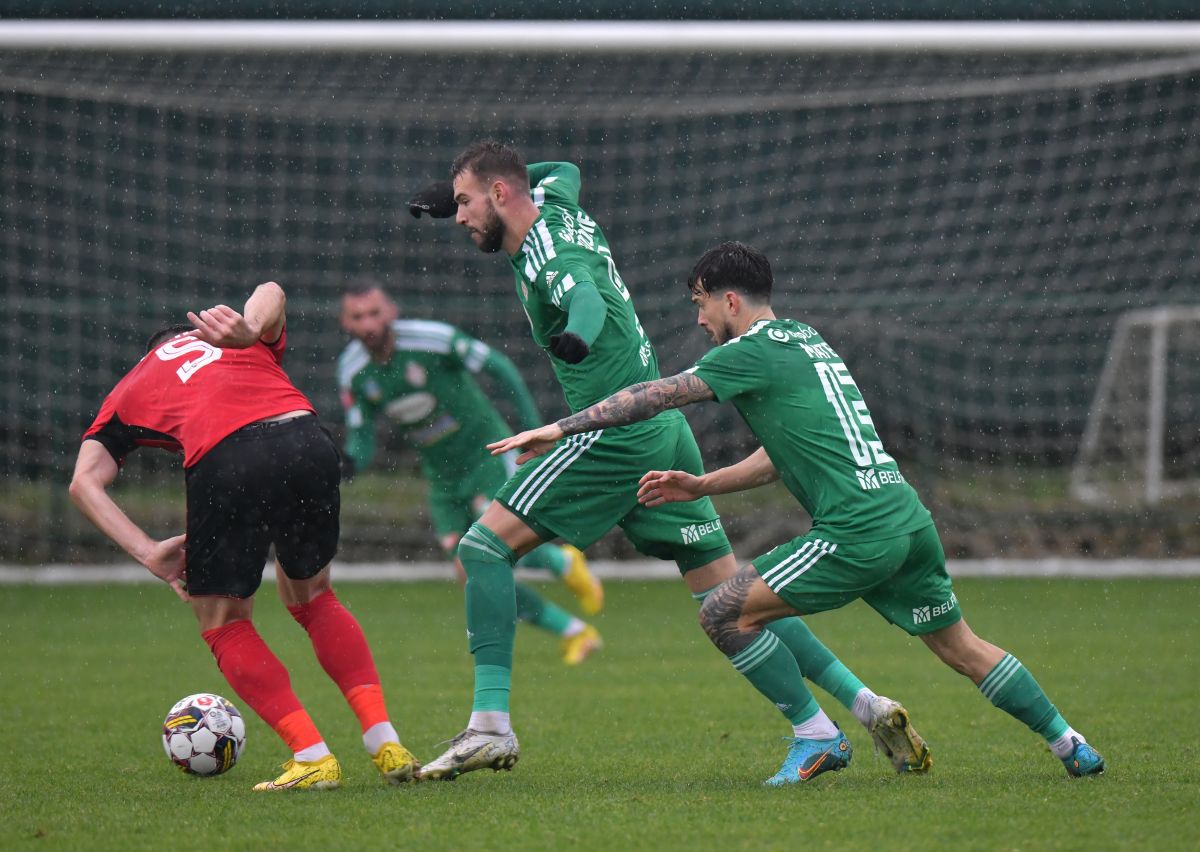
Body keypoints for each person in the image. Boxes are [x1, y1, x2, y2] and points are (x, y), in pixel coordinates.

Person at [406, 141, 930, 784]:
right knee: (729, 596)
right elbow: (563, 169)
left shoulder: (552, 254)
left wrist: (578, 334)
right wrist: (452, 191)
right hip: (664, 437)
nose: (458, 218)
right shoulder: (558, 202)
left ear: (501, 196)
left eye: (464, 204)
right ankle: (859, 705)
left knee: (482, 549)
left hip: (613, 437)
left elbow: (584, 298)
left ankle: (490, 726)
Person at [490, 241, 1107, 780]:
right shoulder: (805, 338)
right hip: (904, 516)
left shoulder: (749, 352)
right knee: (962, 649)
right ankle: (1070, 744)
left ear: (730, 301)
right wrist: (702, 485)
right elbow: (780, 450)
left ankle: (817, 737)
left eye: (701, 302)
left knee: (722, 612)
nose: (698, 317)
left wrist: (562, 427)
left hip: (856, 531)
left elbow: (654, 395)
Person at [68, 282, 421, 791]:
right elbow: (274, 289)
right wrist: (248, 329)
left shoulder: (134, 383)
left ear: (152, 351)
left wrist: (149, 552)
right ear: (190, 334)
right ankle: (384, 740)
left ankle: (312, 755)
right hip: (306, 438)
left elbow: (84, 482)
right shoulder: (231, 336)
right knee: (314, 597)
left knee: (224, 621)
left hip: (229, 457)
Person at [337, 279, 604, 664]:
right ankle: (575, 631)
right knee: (470, 571)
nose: (369, 324)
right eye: (358, 316)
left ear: (392, 312)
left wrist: (530, 428)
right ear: (345, 323)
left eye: (375, 313)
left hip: (486, 458)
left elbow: (503, 369)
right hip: (442, 477)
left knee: (492, 547)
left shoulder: (434, 340)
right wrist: (346, 464)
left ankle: (561, 564)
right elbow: (361, 437)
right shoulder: (352, 371)